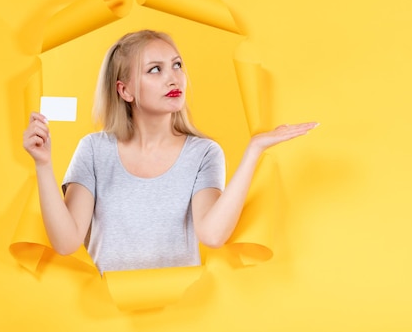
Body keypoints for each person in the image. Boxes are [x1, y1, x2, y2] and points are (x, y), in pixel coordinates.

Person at [23, 29, 317, 274]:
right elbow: (65, 242)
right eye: (155, 69)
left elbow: (213, 235)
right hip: (109, 315)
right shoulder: (94, 150)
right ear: (125, 91)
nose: (173, 78)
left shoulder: (203, 153)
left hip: (180, 317)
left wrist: (253, 151)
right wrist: (43, 164)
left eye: (177, 65)